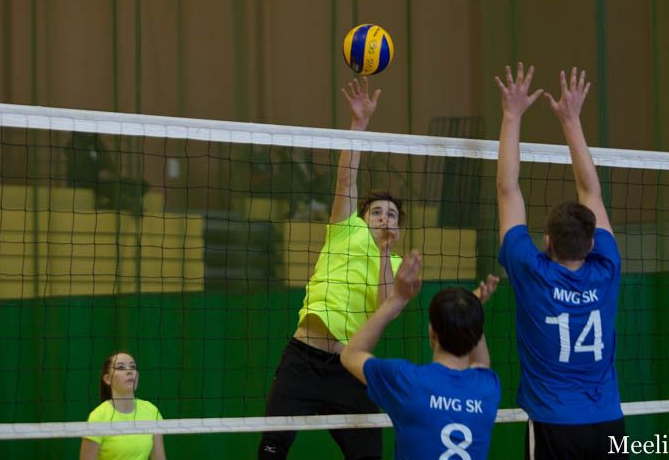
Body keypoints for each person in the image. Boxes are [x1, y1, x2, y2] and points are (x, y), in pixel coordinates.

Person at [258, 77, 404, 459]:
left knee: (369, 454)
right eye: (377, 211)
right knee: (271, 449)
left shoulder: (397, 264)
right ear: (361, 217)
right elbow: (346, 178)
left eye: (391, 215)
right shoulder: (345, 229)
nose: (383, 217)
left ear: (399, 229)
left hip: (348, 366)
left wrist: (385, 253)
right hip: (302, 358)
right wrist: (359, 124)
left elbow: (386, 308)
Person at [494, 64, 626, 459]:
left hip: (554, 425)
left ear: (546, 242)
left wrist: (512, 115)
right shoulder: (607, 269)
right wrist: (572, 120)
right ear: (593, 242)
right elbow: (591, 191)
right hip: (607, 423)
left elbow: (507, 189)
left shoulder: (531, 271)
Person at [341, 252, 502, 460]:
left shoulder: (407, 381)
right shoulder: (488, 388)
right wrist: (471, 311)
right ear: (476, 333)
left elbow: (350, 354)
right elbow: (480, 362)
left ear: (432, 332)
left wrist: (396, 298)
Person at [80, 351, 166, 460]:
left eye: (133, 367)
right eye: (121, 367)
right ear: (107, 379)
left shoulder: (151, 411)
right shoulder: (98, 417)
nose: (129, 371)